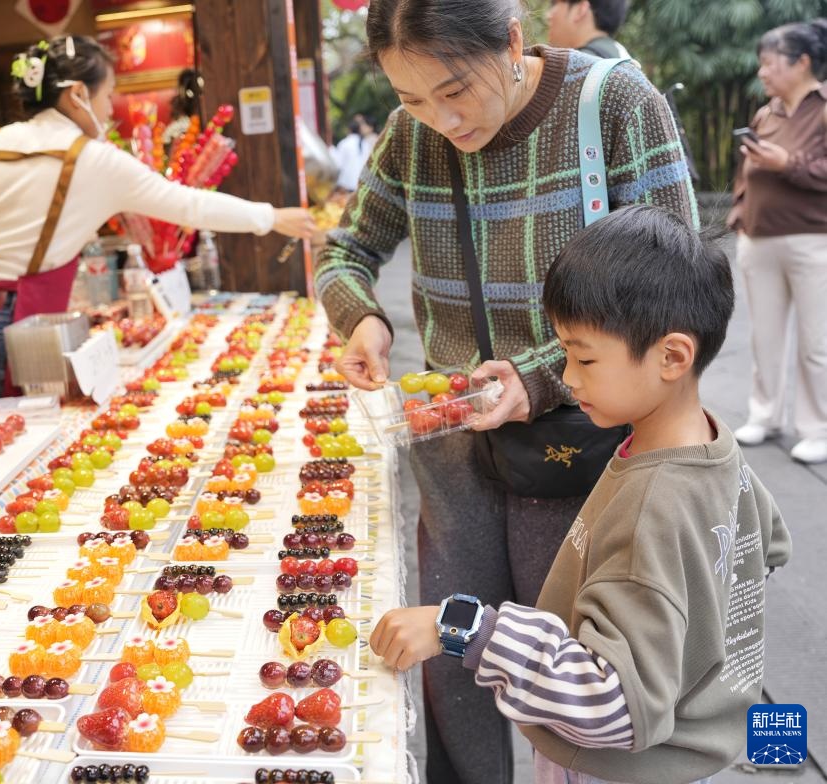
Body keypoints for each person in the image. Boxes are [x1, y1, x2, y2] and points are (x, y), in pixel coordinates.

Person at [314, 1, 696, 781]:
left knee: (577, 682)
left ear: (514, 39)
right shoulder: (410, 135)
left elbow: (678, 278)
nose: (442, 120)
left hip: (584, 446)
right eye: (413, 99)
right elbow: (345, 249)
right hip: (455, 444)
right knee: (448, 665)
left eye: (456, 90)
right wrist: (362, 320)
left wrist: (538, 374)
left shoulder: (614, 103)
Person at [370, 205, 792, 784]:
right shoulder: (712, 442)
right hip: (683, 748)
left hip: (613, 767)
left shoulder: (653, 509)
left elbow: (613, 703)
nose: (567, 377)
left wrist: (464, 628)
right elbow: (769, 544)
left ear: (672, 357)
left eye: (584, 357)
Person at [0, 36, 314, 434]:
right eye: (107, 96)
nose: (108, 110)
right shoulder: (94, 159)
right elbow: (187, 204)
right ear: (77, 94)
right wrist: (271, 217)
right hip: (3, 332)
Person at [727, 19, 827, 464]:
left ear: (802, 62)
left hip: (813, 240)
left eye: (769, 63)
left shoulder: (823, 109)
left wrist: (788, 162)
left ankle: (817, 428)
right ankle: (765, 415)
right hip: (759, 238)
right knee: (763, 337)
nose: (762, 72)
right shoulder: (766, 114)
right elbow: (746, 171)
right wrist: (739, 210)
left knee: (816, 342)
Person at [545, 0, 630, 59]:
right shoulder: (621, 56)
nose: (548, 15)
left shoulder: (579, 67)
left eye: (555, 4)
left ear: (581, 10)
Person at [331, 114, 379, 191]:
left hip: (347, 185)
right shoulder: (365, 143)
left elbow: (338, 165)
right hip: (363, 183)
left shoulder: (344, 143)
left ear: (349, 130)